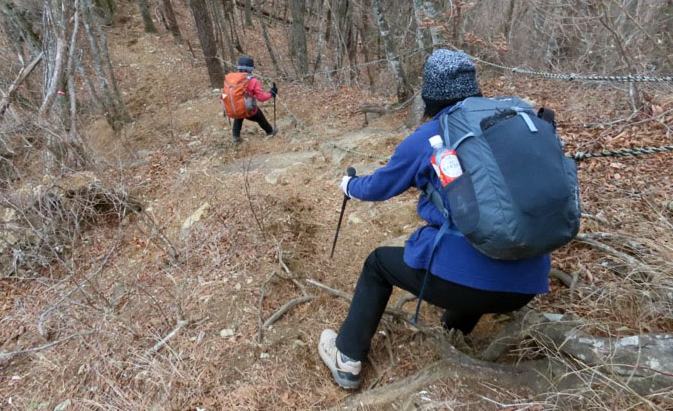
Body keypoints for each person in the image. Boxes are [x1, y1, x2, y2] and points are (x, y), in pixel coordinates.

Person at [317, 49, 550, 389]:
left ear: (429, 94)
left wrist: (350, 186)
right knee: (476, 235)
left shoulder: (429, 137)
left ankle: (347, 358)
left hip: (470, 286)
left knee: (378, 264)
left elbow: (380, 186)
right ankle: (454, 330)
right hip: (528, 286)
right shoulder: (512, 120)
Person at [229, 56, 277, 143]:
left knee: (239, 116)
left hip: (235, 107)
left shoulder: (232, 78)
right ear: (251, 69)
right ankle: (270, 131)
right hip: (249, 110)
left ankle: (236, 137)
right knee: (260, 117)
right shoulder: (253, 81)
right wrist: (272, 93)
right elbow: (261, 98)